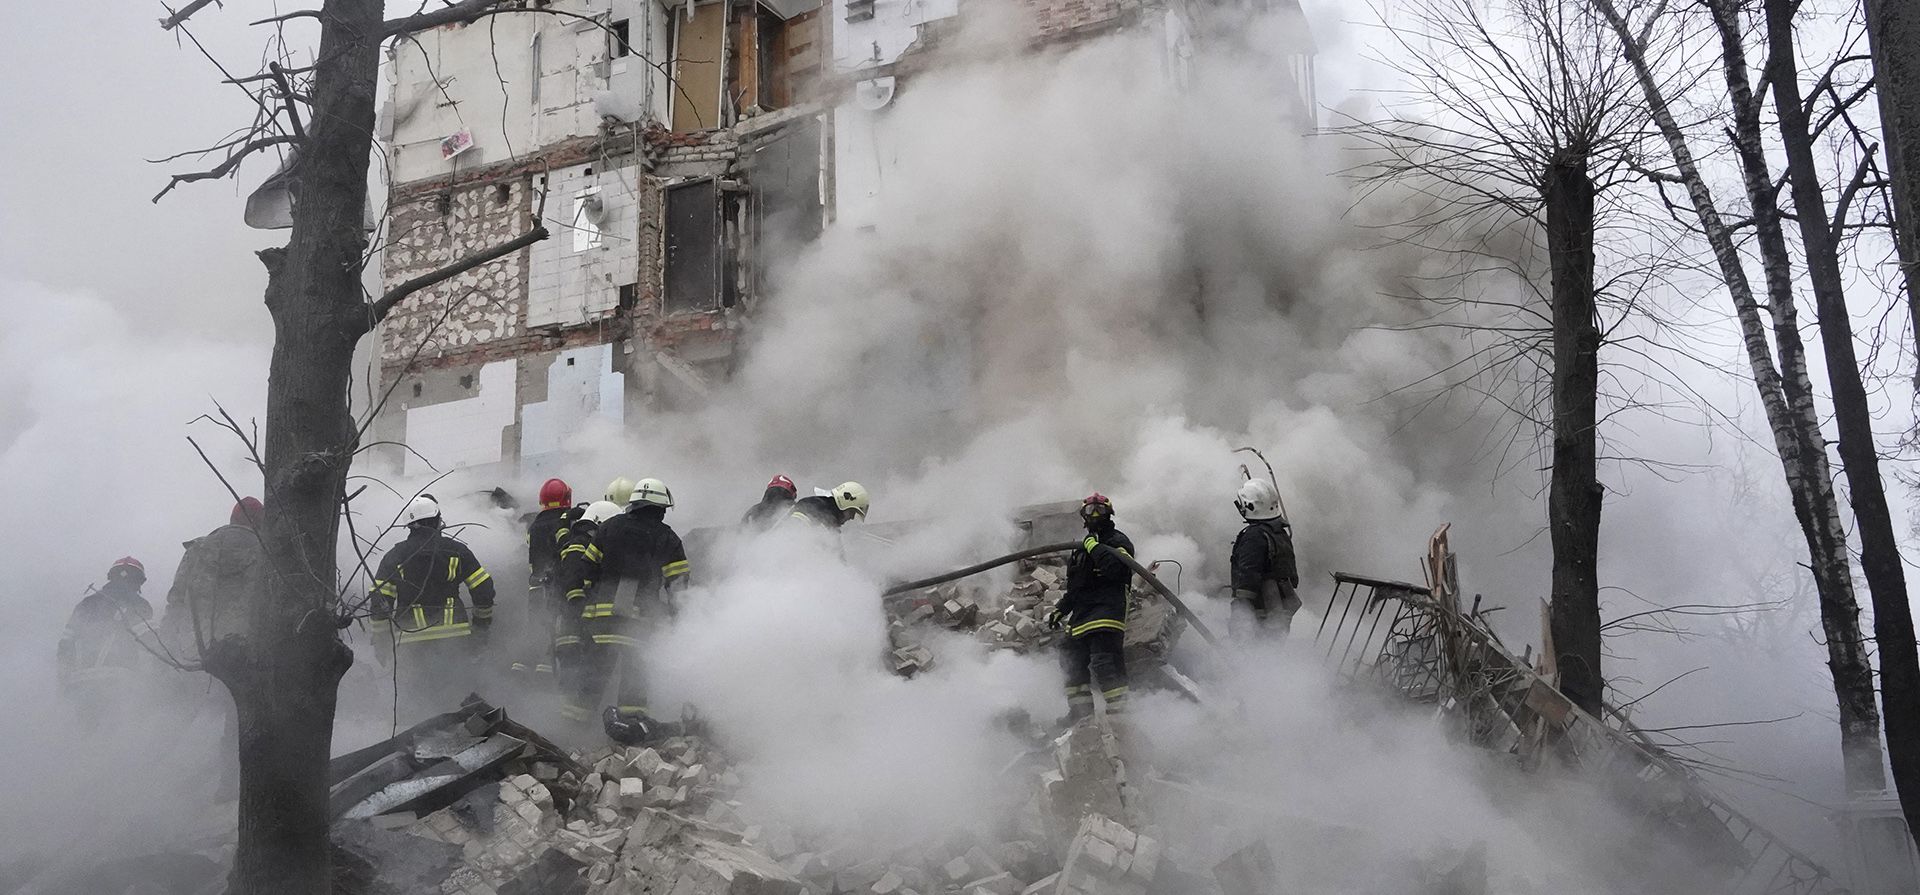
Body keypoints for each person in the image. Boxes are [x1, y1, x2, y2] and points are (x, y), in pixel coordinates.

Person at [557, 478, 689, 744]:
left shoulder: (609, 527)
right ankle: (630, 734)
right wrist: (678, 619)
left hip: (601, 622)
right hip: (638, 627)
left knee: (591, 679)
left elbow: (586, 569)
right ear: (658, 508)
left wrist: (580, 604)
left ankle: (570, 735)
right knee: (635, 681)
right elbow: (679, 588)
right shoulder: (668, 538)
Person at [369, 495, 497, 718]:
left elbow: (380, 604)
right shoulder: (457, 551)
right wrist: (481, 628)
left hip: (411, 643)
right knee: (458, 699)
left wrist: (381, 643)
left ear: (411, 525)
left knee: (419, 705)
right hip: (455, 639)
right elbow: (483, 589)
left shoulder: (394, 556)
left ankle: (420, 746)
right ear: (438, 519)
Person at [1048, 494, 1135, 721]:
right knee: (1070, 660)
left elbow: (1117, 569)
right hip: (1081, 617)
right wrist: (1062, 608)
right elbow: (1076, 588)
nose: (1095, 515)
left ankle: (1119, 716)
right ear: (1083, 516)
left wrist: (1095, 547)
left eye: (1100, 510)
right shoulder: (1080, 549)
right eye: (1090, 511)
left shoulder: (1118, 541)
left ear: (1109, 513)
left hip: (1107, 613)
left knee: (1104, 663)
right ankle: (1080, 715)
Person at [58, 557, 156, 727]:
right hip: (119, 682)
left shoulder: (85, 604)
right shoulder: (138, 605)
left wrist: (65, 679)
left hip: (82, 682)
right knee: (115, 738)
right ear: (138, 581)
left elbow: (65, 644)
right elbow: (151, 644)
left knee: (87, 738)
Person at [551, 499, 623, 721]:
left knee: (578, 677)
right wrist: (583, 614)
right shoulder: (579, 544)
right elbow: (573, 584)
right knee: (577, 677)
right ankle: (572, 726)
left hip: (572, 624)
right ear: (600, 523)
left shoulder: (581, 542)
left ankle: (572, 725)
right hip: (572, 625)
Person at [514, 478, 578, 678]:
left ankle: (522, 667)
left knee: (535, 626)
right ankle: (547, 670)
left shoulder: (534, 526)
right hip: (555, 585)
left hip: (535, 585)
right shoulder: (566, 522)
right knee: (556, 627)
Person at [1229, 478, 1301, 641]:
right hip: (1278, 613)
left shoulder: (1254, 537)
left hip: (1260, 616)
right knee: (1270, 656)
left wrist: (1240, 620)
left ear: (1251, 506)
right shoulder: (1279, 532)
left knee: (1250, 659)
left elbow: (1247, 579)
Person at [787, 481, 870, 530]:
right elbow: (793, 532)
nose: (851, 517)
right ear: (844, 502)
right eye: (852, 512)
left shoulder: (830, 521)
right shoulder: (811, 507)